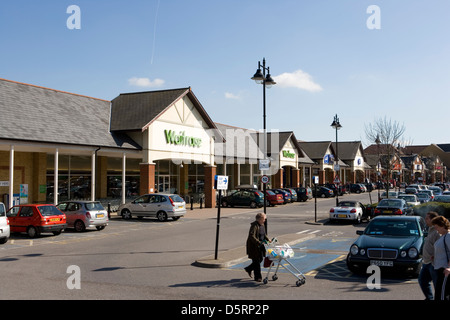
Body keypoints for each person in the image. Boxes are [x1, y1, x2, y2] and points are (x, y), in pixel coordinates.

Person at [418, 212, 440, 300]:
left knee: (437, 284)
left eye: (427, 218)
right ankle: (429, 298)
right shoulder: (430, 229)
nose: (425, 220)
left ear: (433, 219)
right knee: (422, 280)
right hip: (426, 262)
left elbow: (440, 246)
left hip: (433, 263)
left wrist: (435, 255)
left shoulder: (437, 232)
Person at [244, 212, 269, 282]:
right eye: (264, 219)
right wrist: (258, 242)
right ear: (260, 219)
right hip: (254, 247)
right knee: (257, 261)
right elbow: (251, 236)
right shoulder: (254, 226)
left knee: (260, 259)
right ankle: (258, 277)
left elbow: (264, 234)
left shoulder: (262, 225)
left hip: (260, 246)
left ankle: (248, 269)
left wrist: (268, 239)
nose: (265, 220)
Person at [431, 215, 450, 300]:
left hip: (445, 271)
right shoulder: (443, 236)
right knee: (439, 295)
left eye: (437, 227)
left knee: (442, 296)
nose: (436, 229)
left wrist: (449, 268)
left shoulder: (448, 236)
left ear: (442, 226)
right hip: (440, 270)